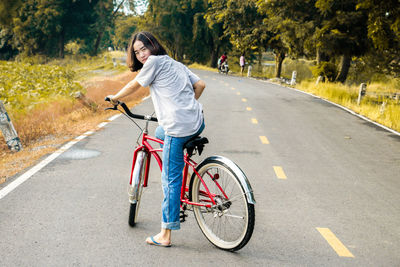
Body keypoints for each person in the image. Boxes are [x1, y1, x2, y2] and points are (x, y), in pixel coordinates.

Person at [107, 31, 206, 247]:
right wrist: (186, 106)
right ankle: (183, 166)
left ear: (153, 46)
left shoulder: (153, 62)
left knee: (169, 181)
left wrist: (115, 97)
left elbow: (135, 85)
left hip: (178, 128)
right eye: (137, 51)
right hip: (197, 121)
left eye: (144, 48)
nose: (142, 54)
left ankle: (165, 234)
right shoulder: (174, 63)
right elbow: (201, 85)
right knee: (160, 133)